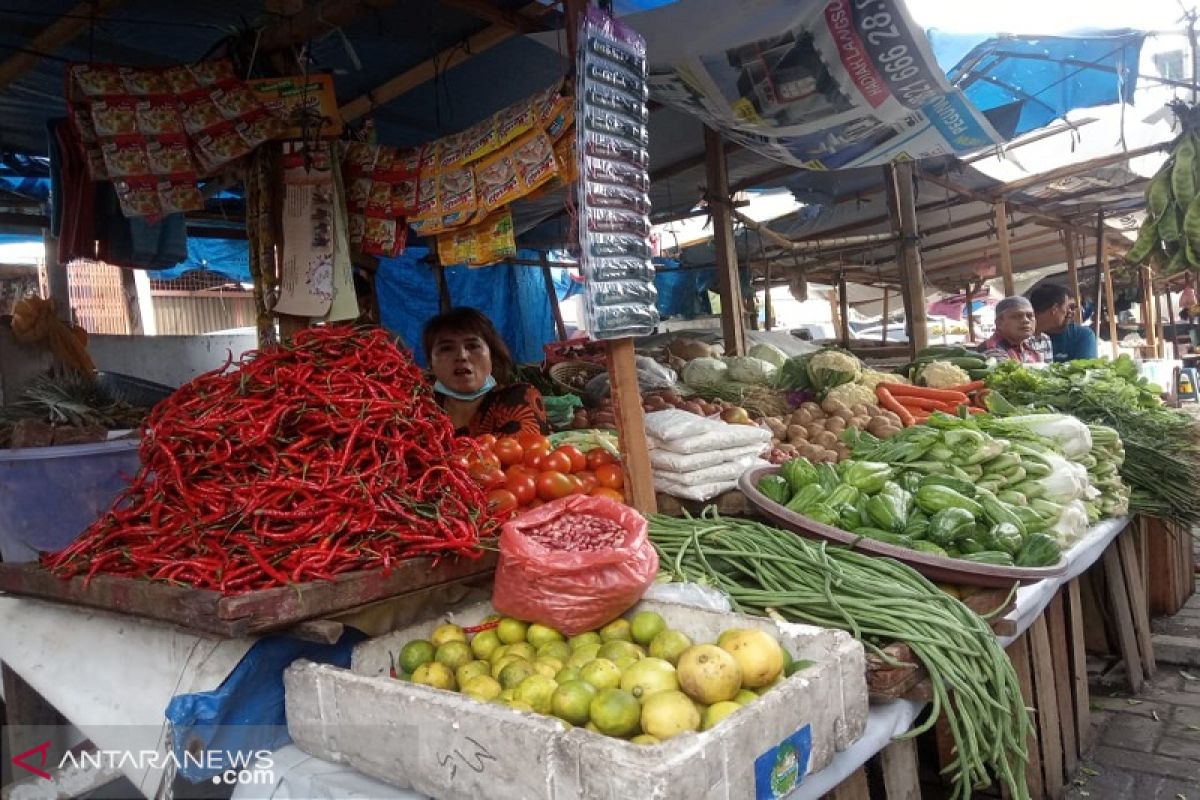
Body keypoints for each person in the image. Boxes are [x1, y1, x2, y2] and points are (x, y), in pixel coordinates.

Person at [423, 306, 550, 437]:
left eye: (472, 346)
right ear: (430, 363)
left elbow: (520, 452)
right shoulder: (420, 408)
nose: (462, 356)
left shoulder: (518, 398)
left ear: (492, 356)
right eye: (446, 348)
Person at [1028, 284, 1098, 363]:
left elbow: (1086, 369)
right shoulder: (1022, 338)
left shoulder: (1082, 334)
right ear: (1055, 309)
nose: (1071, 312)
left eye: (1073, 308)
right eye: (1069, 307)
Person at [979, 296, 1048, 363]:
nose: (1026, 320)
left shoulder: (1031, 350)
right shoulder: (992, 352)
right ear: (999, 323)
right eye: (1017, 316)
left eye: (1030, 316)